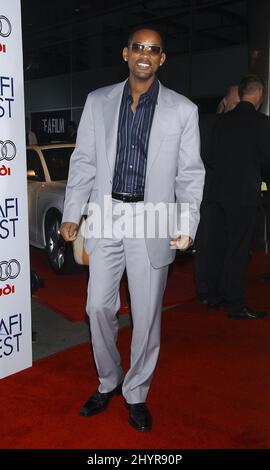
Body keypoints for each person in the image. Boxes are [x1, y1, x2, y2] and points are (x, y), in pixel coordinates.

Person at [60, 26, 205, 432]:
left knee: (146, 316)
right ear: (125, 53)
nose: (145, 54)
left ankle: (136, 391)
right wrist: (73, 213)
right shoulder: (97, 101)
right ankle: (109, 380)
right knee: (97, 307)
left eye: (153, 50)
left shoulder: (183, 110)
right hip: (106, 217)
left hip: (154, 220)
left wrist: (186, 223)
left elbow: (190, 175)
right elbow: (83, 161)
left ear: (162, 59)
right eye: (138, 47)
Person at [206, 74, 270, 319]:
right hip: (244, 196)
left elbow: (209, 157)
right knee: (238, 251)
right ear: (259, 95)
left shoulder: (220, 122)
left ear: (241, 94)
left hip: (218, 194)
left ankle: (214, 297)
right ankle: (235, 305)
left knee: (217, 247)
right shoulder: (262, 124)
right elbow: (267, 162)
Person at [195, 85, 240, 303]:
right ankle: (206, 291)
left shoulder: (235, 128)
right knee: (206, 244)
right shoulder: (206, 125)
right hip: (208, 194)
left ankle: (217, 289)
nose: (236, 107)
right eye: (234, 102)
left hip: (227, 196)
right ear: (224, 102)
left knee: (223, 245)